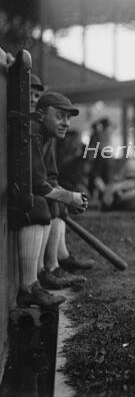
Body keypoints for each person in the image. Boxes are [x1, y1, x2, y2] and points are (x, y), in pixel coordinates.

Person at [16, 92, 89, 307]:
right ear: (40, 115)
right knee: (39, 204)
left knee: (53, 200)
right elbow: (39, 185)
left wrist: (71, 199)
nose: (65, 123)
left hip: (23, 192)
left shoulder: (47, 136)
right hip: (11, 196)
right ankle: (29, 287)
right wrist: (69, 197)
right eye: (59, 116)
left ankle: (46, 271)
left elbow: (51, 179)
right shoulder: (31, 132)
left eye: (68, 118)